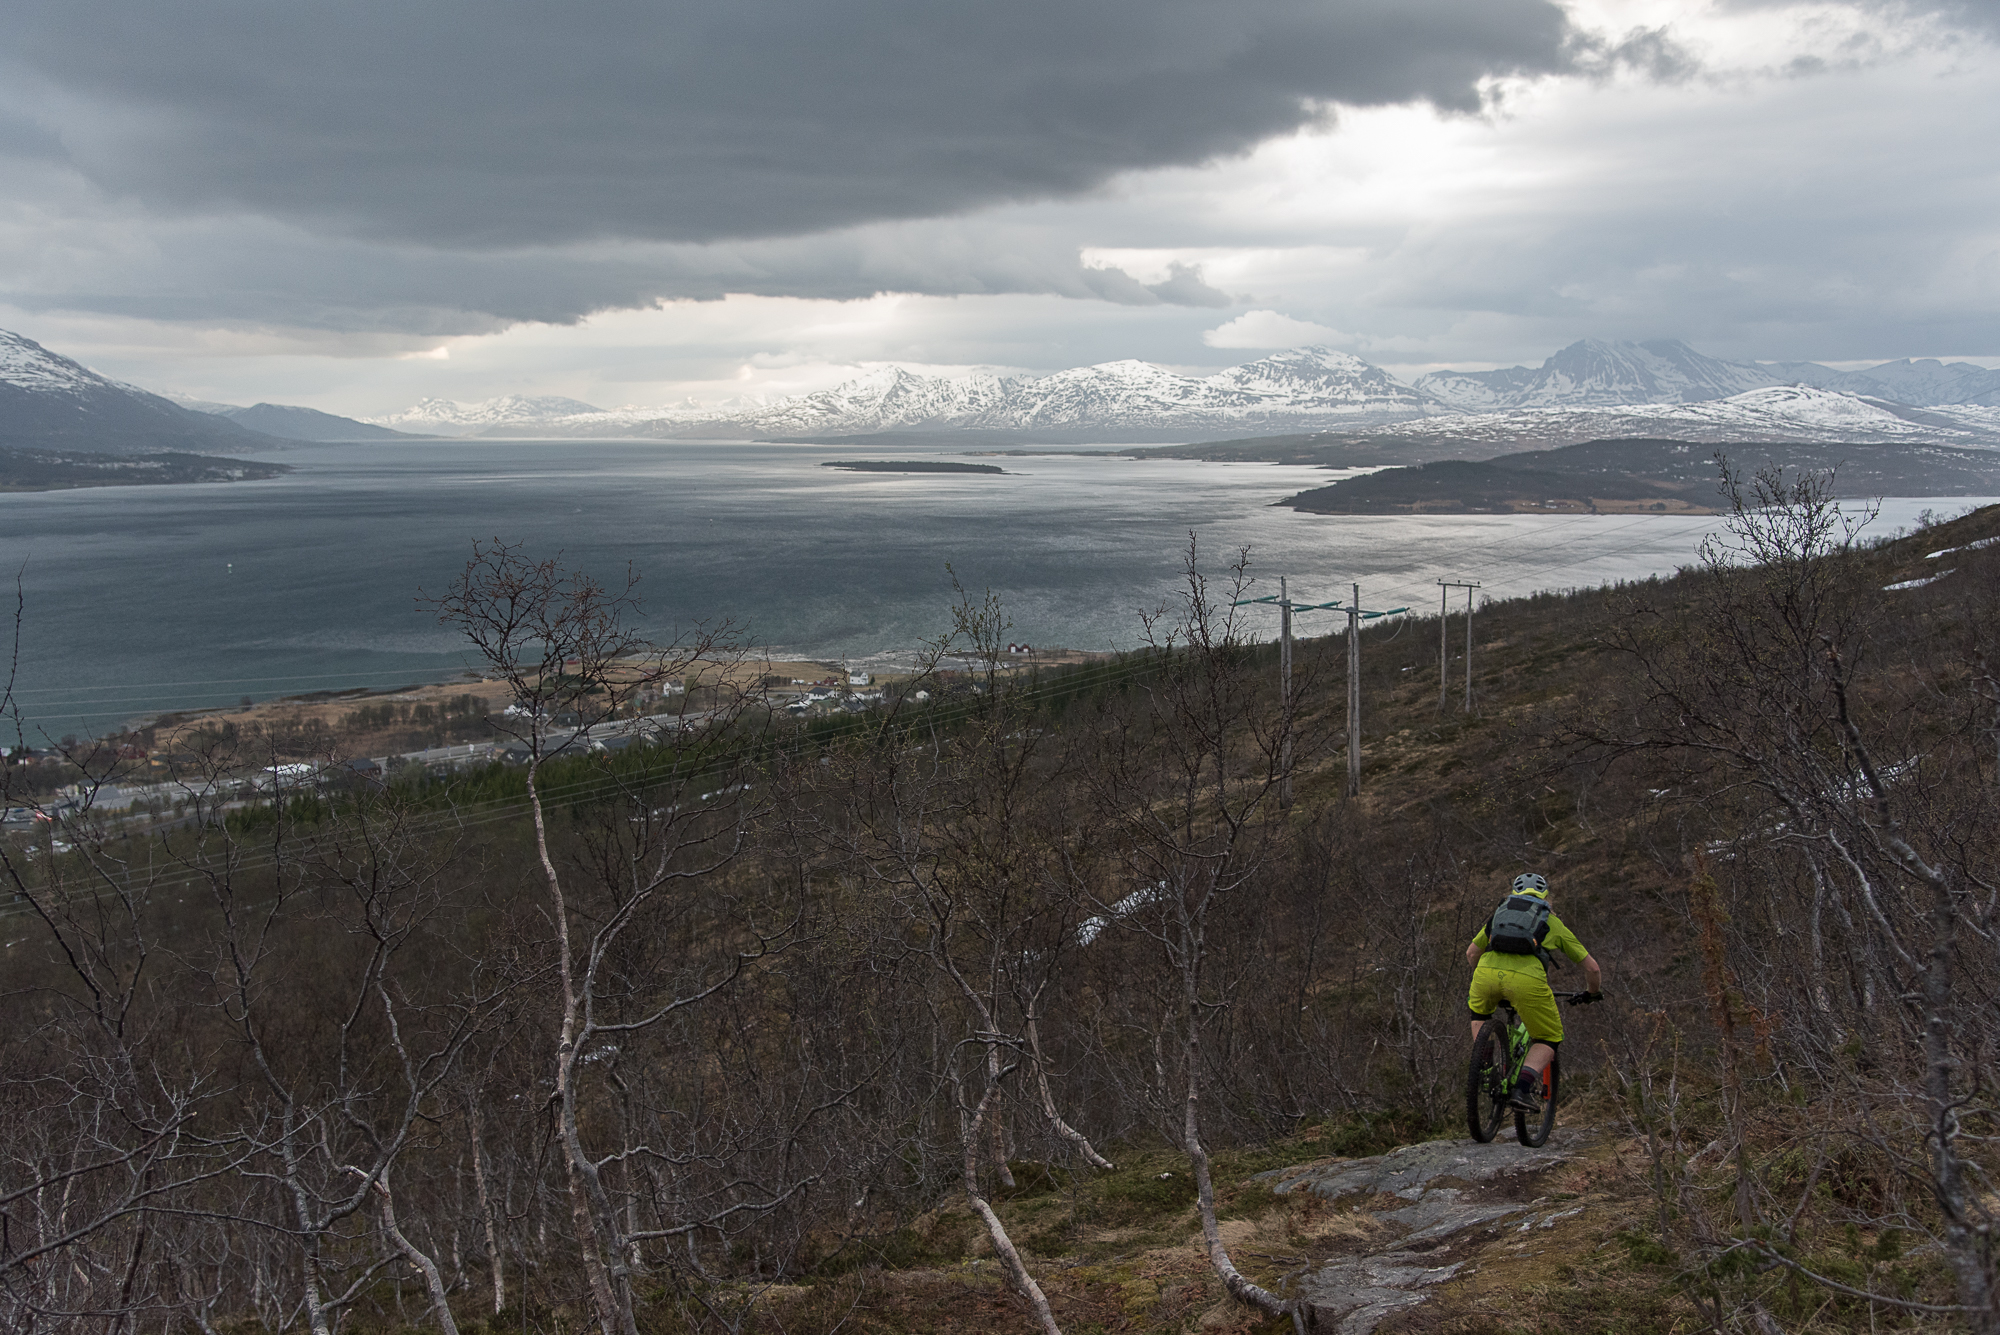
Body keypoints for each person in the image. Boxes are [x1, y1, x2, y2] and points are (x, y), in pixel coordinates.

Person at [1466, 872, 1602, 1113]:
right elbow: (1592, 967)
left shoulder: (1499, 914)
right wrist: (1592, 992)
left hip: (1485, 975)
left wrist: (1487, 980)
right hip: (1527, 983)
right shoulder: (1551, 922)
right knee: (1549, 1037)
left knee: (1479, 1015)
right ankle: (1522, 1088)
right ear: (1546, 896)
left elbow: (1471, 953)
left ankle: (1485, 1069)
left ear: (1514, 892)